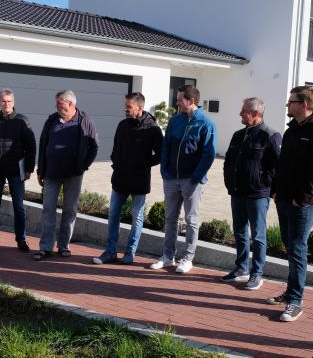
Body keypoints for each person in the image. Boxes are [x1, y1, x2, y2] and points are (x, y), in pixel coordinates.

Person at [267, 85, 313, 322]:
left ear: (304, 104)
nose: (287, 105)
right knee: (290, 247)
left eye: (291, 101)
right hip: (284, 199)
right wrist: (275, 191)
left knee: (297, 249)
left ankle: (295, 301)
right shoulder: (292, 130)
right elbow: (282, 164)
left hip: (302, 204)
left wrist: (302, 199)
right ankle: (290, 292)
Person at [150, 84, 216, 274]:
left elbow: (209, 154)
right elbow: (166, 146)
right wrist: (164, 170)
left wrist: (196, 178)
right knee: (170, 218)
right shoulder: (175, 120)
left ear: (191, 101)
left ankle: (187, 259)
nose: (177, 103)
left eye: (180, 100)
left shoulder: (206, 123)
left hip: (191, 181)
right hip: (171, 178)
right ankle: (167, 256)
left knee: (191, 220)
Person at [93, 92, 163, 265]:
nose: (125, 109)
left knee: (137, 217)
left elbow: (161, 155)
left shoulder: (152, 129)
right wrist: (117, 164)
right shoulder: (122, 125)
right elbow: (115, 148)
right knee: (113, 214)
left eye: (129, 107)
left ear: (139, 108)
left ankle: (130, 253)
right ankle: (110, 252)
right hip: (120, 179)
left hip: (139, 180)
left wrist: (142, 163)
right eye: (125, 106)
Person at [221, 97, 281, 290]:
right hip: (237, 192)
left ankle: (257, 274)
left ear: (256, 113)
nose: (240, 114)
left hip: (257, 195)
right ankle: (241, 268)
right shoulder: (238, 135)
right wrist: (229, 181)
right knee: (239, 231)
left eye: (244, 111)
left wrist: (265, 183)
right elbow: (228, 161)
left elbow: (278, 166)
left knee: (258, 235)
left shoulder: (270, 135)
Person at [34, 90, 99, 260]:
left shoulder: (84, 120)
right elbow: (43, 144)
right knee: (48, 209)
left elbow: (94, 146)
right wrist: (40, 170)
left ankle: (64, 246)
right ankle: (46, 247)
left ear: (70, 104)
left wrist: (84, 165)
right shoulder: (52, 120)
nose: (56, 106)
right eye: (56, 103)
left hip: (73, 174)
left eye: (59, 103)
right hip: (51, 172)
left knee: (70, 210)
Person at [0, 88, 36, 253]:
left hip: (16, 171)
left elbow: (31, 146)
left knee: (19, 207)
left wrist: (29, 168)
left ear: (13, 102)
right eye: (3, 101)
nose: (6, 104)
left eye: (9, 101)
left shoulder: (22, 121)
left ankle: (21, 239)